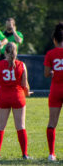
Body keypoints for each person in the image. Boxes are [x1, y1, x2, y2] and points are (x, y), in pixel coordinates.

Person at [0, 42, 32, 159]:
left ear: (5, 52)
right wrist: (27, 93)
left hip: (3, 96)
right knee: (20, 126)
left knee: (0, 126)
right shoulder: (21, 64)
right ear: (16, 52)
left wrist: (3, 92)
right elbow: (24, 84)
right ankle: (24, 154)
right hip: (17, 96)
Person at [44, 22, 63, 161]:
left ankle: (51, 153)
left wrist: (52, 71)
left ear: (55, 40)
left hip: (56, 89)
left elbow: (46, 73)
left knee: (52, 123)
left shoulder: (50, 53)